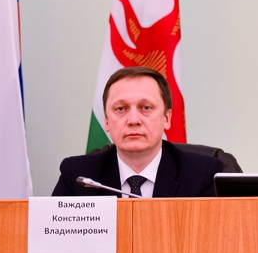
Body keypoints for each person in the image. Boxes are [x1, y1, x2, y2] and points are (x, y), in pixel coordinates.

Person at [53, 66, 223, 197]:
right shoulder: (79, 176)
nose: (133, 120)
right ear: (106, 121)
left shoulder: (202, 175)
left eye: (146, 107)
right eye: (121, 108)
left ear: (167, 118)